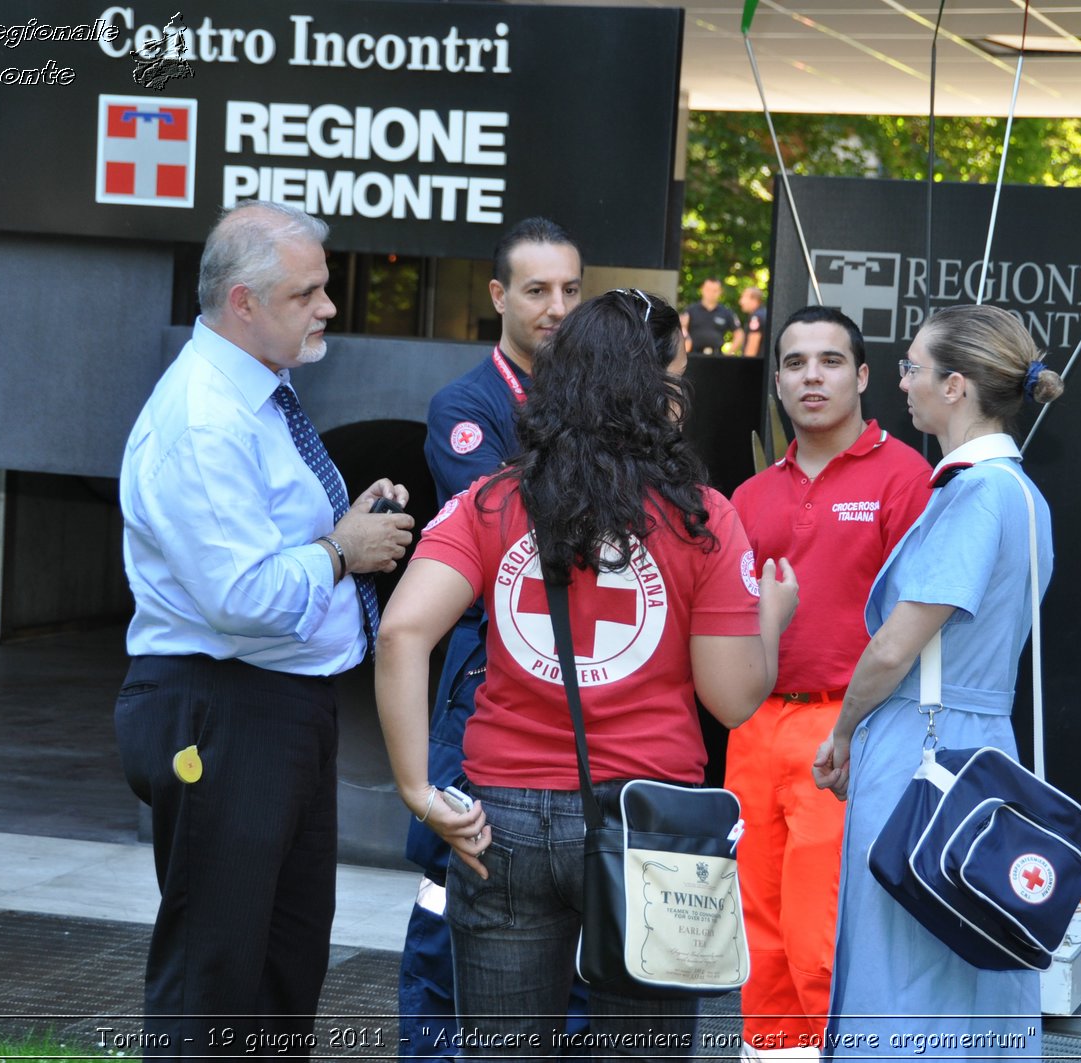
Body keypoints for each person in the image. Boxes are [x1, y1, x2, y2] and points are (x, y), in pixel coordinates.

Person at [376, 289, 799, 1056]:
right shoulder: (702, 515)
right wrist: (772, 614)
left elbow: (403, 630)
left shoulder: (491, 500)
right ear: (654, 390)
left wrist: (418, 791)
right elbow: (732, 699)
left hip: (497, 817)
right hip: (649, 822)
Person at [113, 201, 416, 1058]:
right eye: (307, 293)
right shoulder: (206, 418)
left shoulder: (257, 391)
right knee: (216, 976)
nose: (328, 307)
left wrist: (340, 533)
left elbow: (261, 549)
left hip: (276, 710)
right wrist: (340, 549)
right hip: (225, 712)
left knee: (282, 966)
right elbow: (240, 595)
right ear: (243, 302)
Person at [811, 303, 1064, 1059]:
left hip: (925, 748)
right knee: (966, 956)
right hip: (982, 744)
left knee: (905, 966)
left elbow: (895, 647)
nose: (904, 382)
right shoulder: (1020, 494)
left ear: (955, 386)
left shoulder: (976, 494)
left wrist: (845, 728)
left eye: (913, 368)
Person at [400, 217, 584, 1060]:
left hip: (573, 701)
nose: (556, 308)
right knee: (453, 902)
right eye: (538, 290)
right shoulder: (466, 408)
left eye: (570, 290)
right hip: (486, 692)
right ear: (499, 297)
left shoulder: (584, 399)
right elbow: (526, 531)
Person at [726, 307, 930, 1060]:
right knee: (759, 936)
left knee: (822, 938)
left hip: (847, 730)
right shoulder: (750, 498)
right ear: (777, 380)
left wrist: (855, 727)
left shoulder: (905, 477)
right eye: (795, 362)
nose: (812, 375)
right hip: (753, 724)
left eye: (830, 360)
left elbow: (916, 626)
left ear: (864, 376)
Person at [682, 276, 743, 355]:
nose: (711, 293)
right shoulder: (690, 310)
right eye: (708, 290)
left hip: (716, 356)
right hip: (693, 355)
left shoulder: (726, 312)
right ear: (702, 289)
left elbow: (739, 333)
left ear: (720, 292)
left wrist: (729, 353)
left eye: (715, 291)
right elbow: (681, 332)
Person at [739, 287, 769, 358]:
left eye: (743, 297)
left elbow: (752, 347)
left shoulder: (756, 318)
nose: (740, 302)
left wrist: (746, 366)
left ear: (754, 300)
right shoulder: (764, 314)